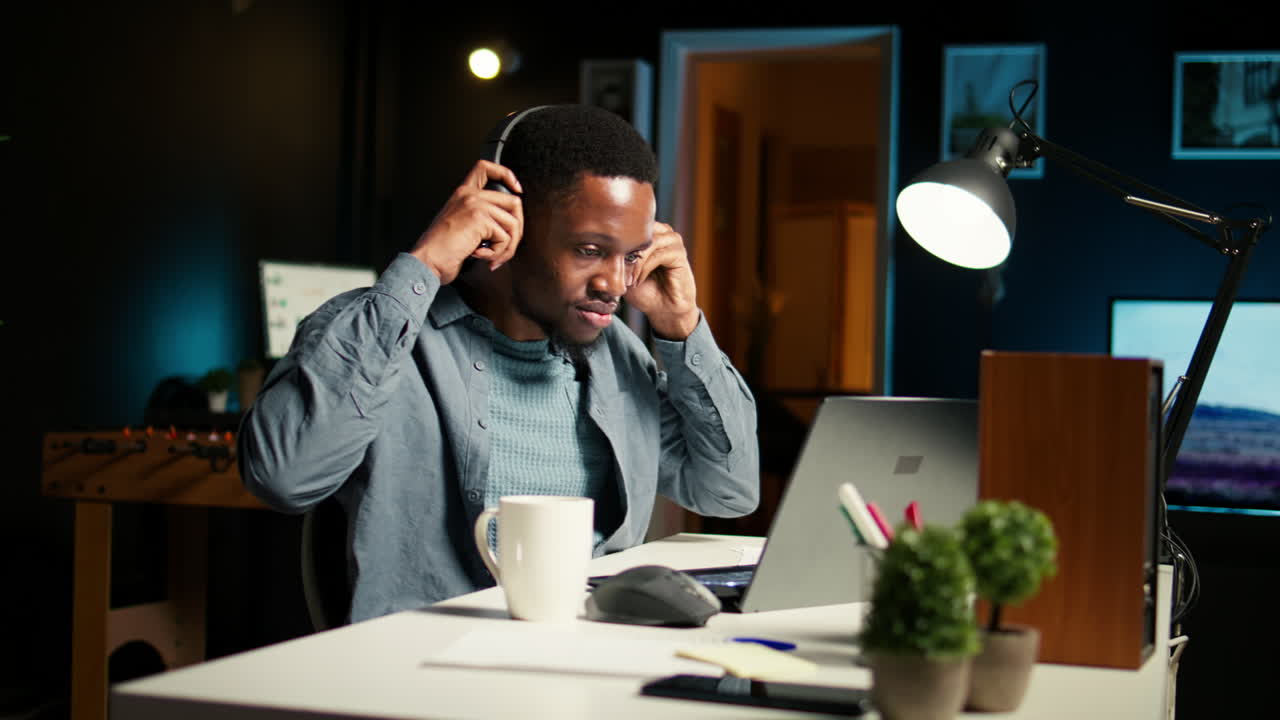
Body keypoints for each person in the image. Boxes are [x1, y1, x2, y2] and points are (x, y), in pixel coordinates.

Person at [237, 104, 760, 623]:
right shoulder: (382, 333)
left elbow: (728, 490)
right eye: (588, 250)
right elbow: (283, 478)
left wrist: (683, 327)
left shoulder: (618, 355)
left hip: (588, 660)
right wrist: (423, 269)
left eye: (629, 256)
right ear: (504, 218)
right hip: (421, 674)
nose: (616, 285)